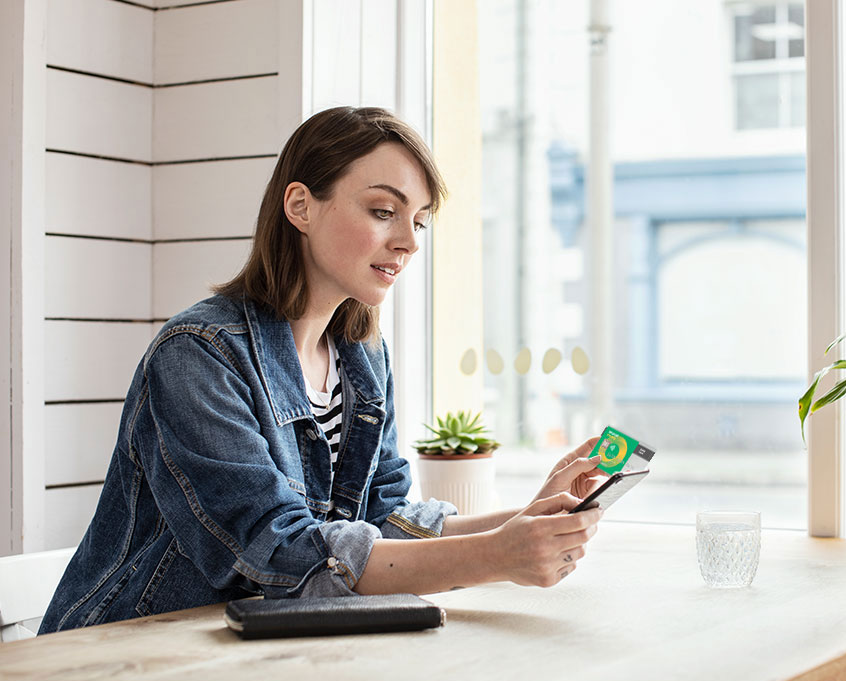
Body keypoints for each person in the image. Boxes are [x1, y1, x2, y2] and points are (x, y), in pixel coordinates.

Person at [40, 107, 607, 633]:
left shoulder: (361, 357)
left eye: (420, 220)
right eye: (384, 212)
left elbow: (384, 523)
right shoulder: (197, 355)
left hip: (262, 651)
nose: (409, 241)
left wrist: (530, 519)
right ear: (301, 207)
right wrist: (496, 555)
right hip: (124, 654)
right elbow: (279, 551)